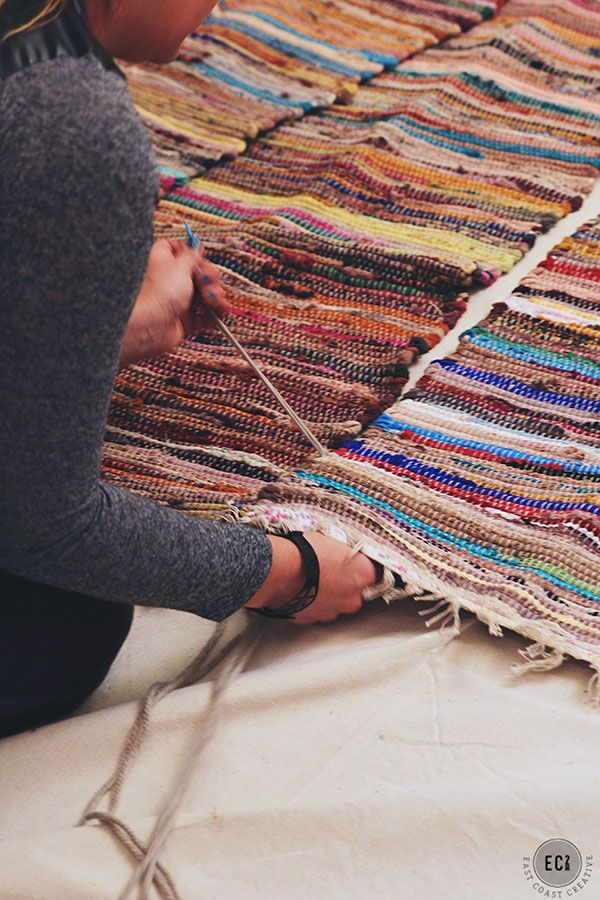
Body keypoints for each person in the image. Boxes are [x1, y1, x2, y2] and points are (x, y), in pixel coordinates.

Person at [0, 0, 379, 739]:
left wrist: (87, 323)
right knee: (68, 622)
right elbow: (40, 524)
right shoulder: (70, 124)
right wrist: (284, 573)